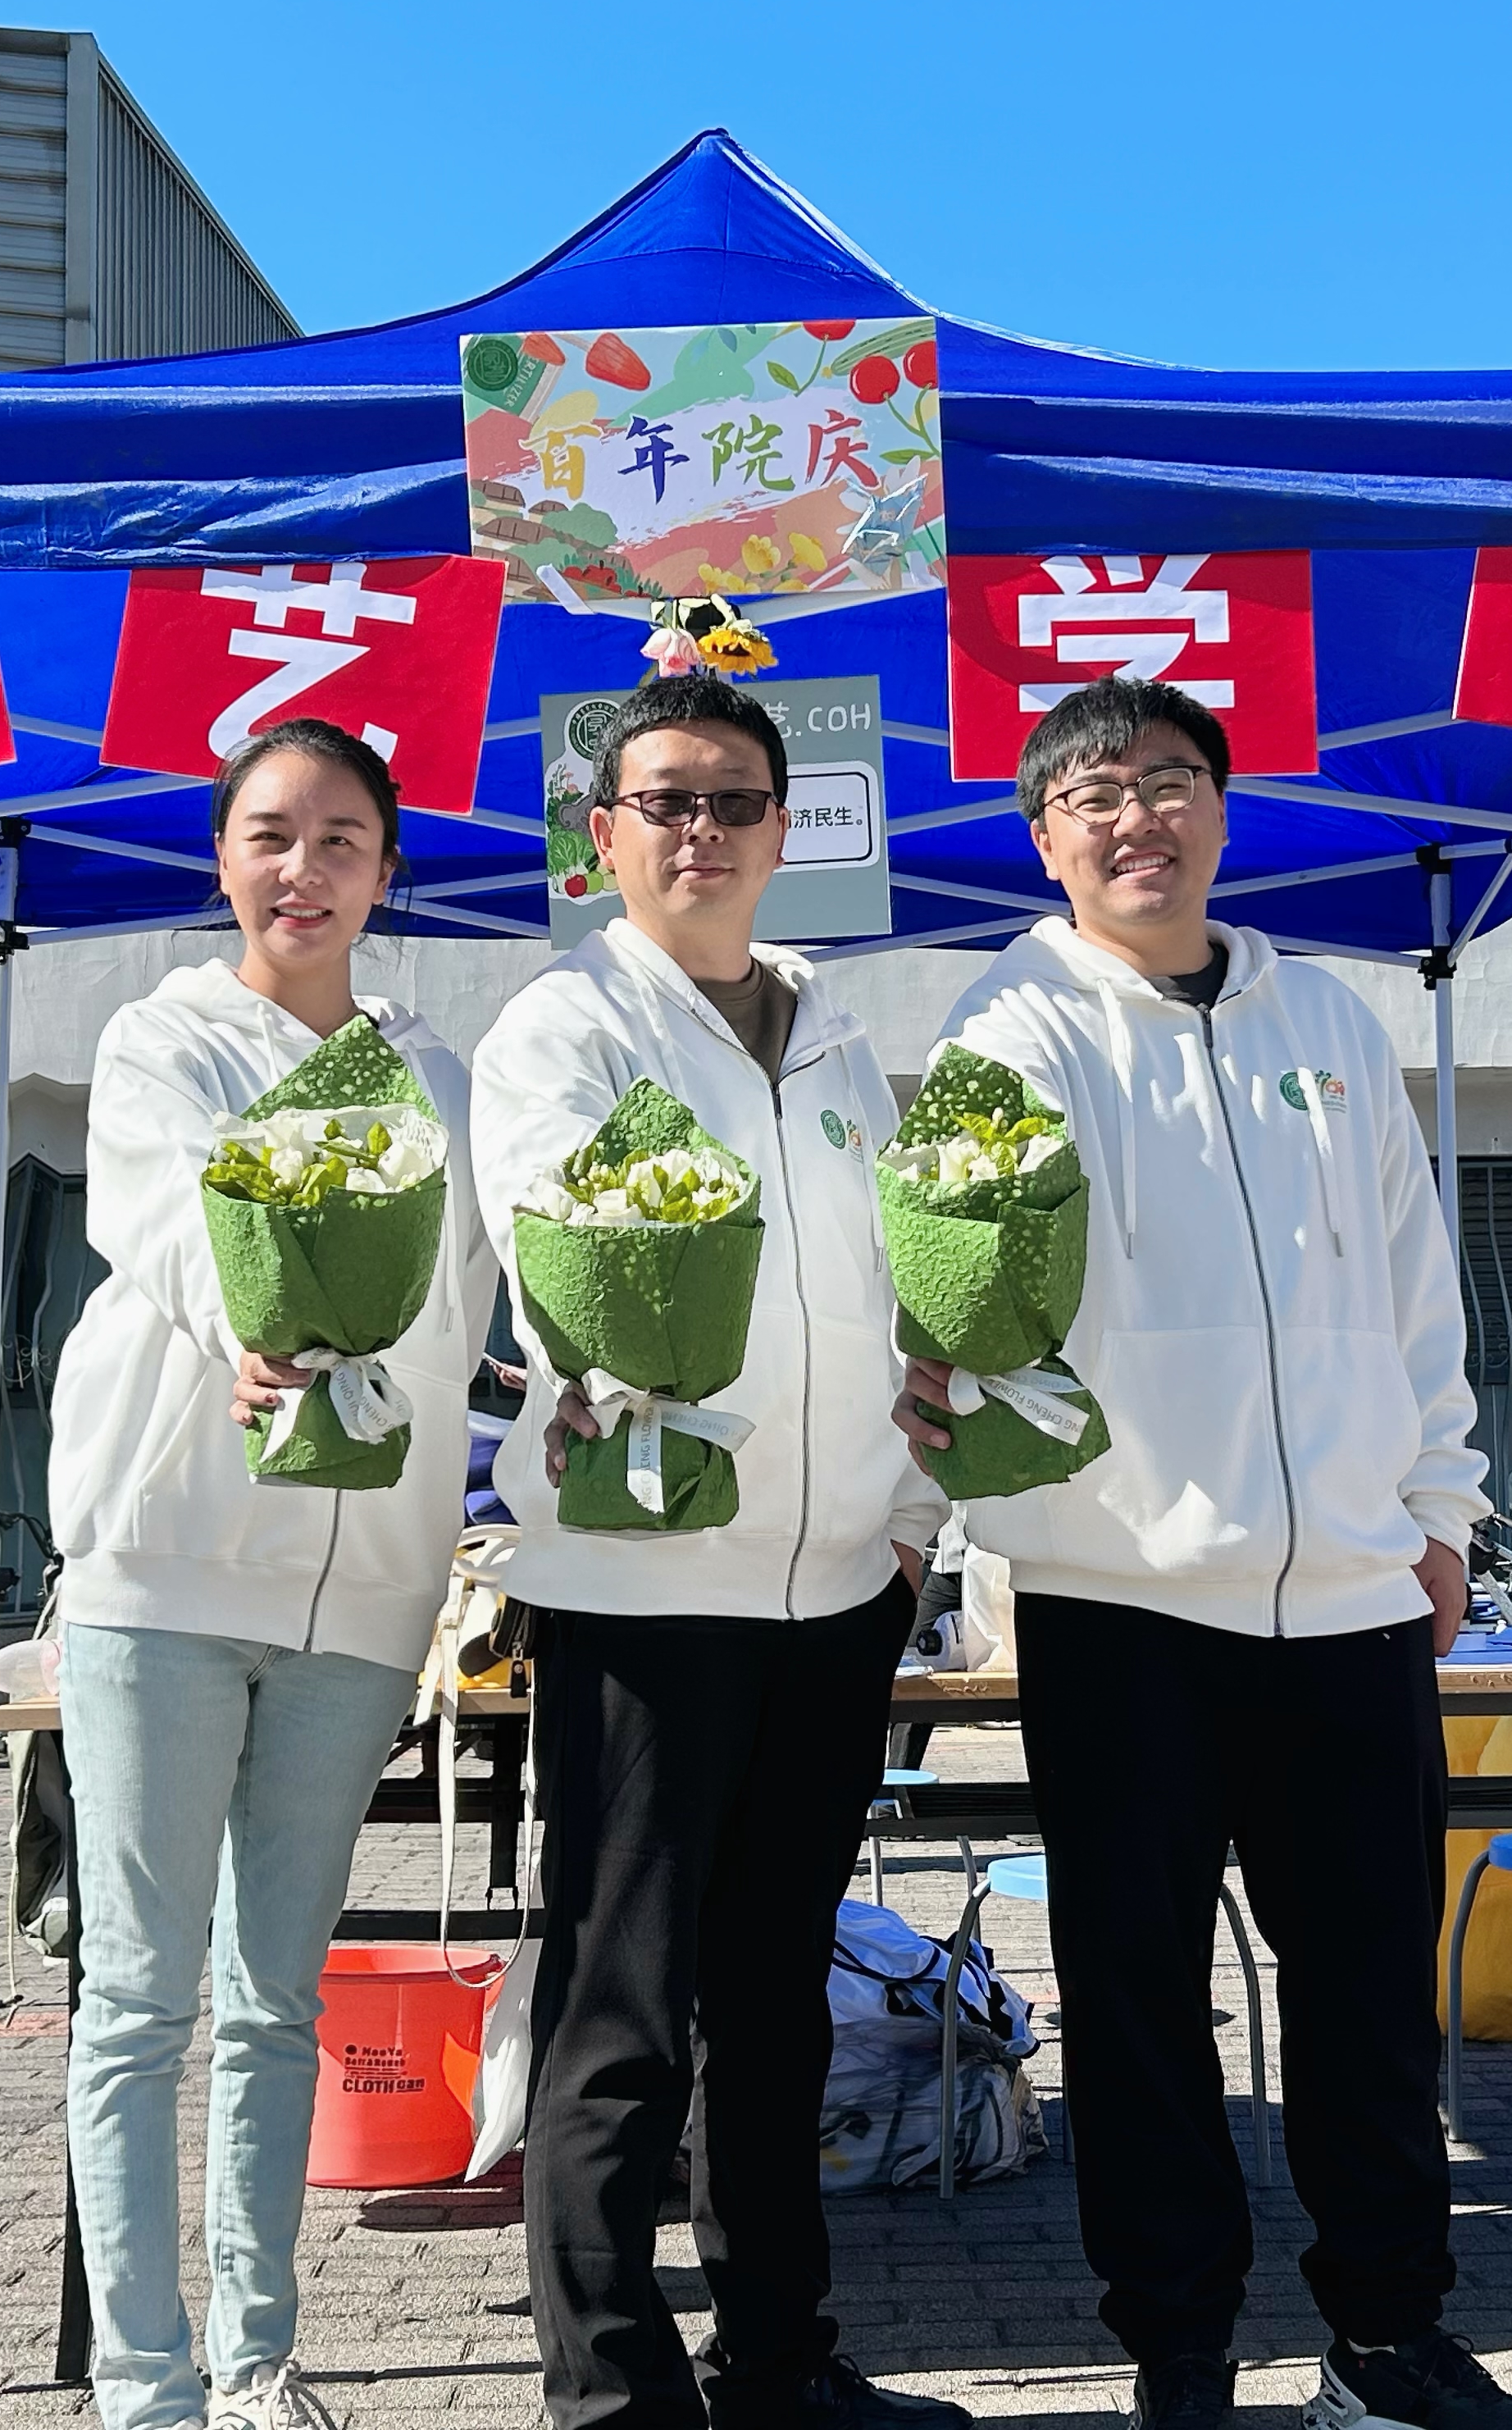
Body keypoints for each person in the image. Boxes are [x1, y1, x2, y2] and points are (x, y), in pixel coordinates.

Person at [896, 678, 1512, 2430]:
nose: (1139, 817)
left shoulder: (1325, 1018)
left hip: (1350, 1598)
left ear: (1224, 806)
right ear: (1045, 837)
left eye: (1171, 781)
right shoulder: (1008, 1032)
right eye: (1096, 793)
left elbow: (1419, 1289)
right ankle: (1177, 2350)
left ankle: (1389, 2335)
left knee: (1366, 2004)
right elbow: (967, 1313)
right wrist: (989, 1519)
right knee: (1135, 2001)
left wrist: (1439, 1508)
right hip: (1123, 1601)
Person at [467, 674, 956, 2430]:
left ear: (784, 831)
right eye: (663, 801)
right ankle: (607, 2392)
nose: (699, 831)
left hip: (832, 1603)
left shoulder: (839, 1038)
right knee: (622, 2013)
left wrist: (908, 1533)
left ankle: (781, 2362)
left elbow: (909, 1300)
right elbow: (563, 1258)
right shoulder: (562, 1028)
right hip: (644, 1596)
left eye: (733, 801)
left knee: (777, 2011)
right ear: (603, 838)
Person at [48, 720, 498, 2430]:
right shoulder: (162, 1037)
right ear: (222, 860)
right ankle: (144, 2385)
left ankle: (257, 2361)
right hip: (165, 1573)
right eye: (270, 835)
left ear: (387, 872)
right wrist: (253, 1324)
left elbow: (471, 1304)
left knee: (272, 2004)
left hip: (362, 1597)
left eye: (339, 841)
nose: (301, 869)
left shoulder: (437, 1072)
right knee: (141, 2000)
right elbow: (161, 1221)